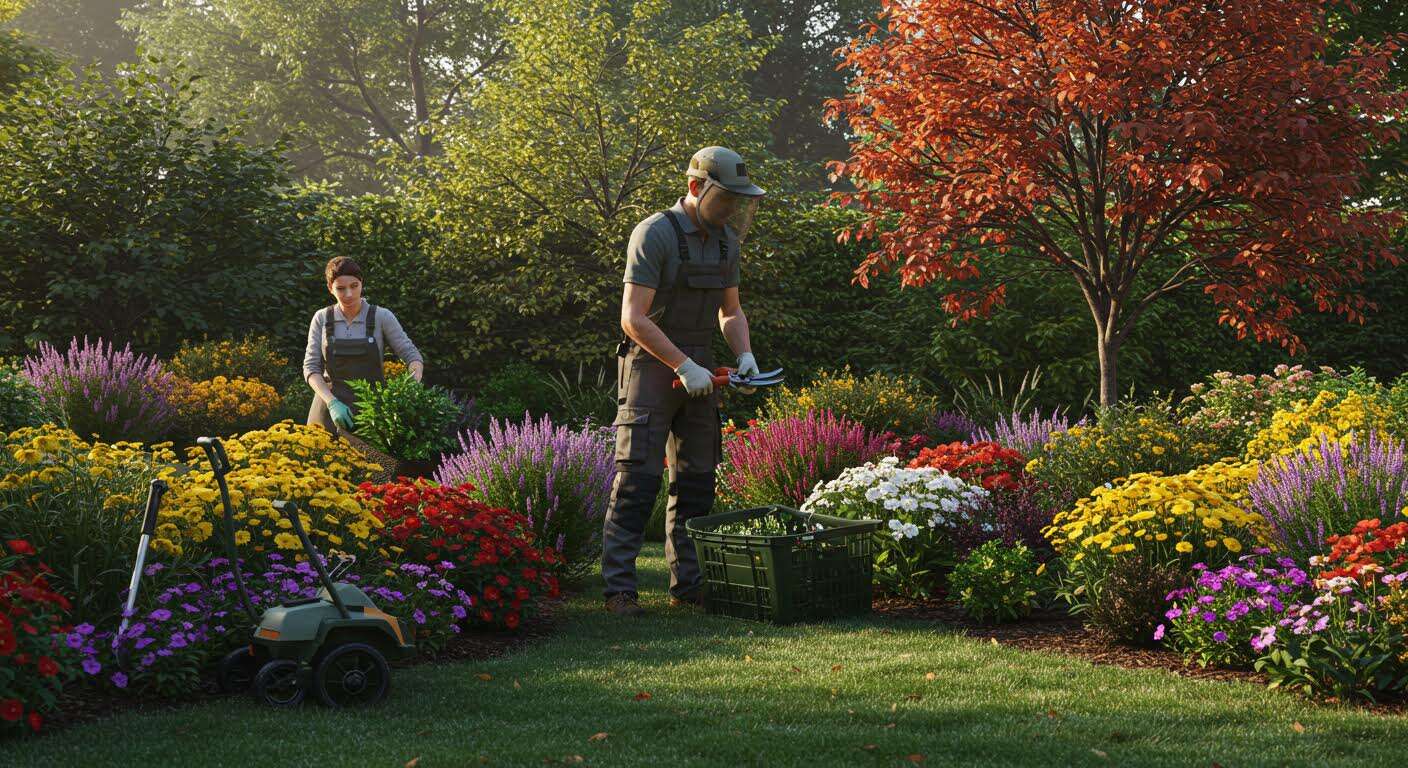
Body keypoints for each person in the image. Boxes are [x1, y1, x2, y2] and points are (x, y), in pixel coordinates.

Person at [602, 146, 767, 617]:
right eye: (725, 198)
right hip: (650, 366)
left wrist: (745, 355)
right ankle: (619, 590)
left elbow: (730, 311)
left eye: (738, 200)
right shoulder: (654, 233)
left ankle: (688, 585)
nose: (732, 208)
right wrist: (682, 365)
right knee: (637, 479)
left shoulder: (725, 242)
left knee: (697, 480)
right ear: (696, 187)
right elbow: (633, 318)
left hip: (701, 364)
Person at [303, 256, 425, 435]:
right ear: (330, 288)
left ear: (362, 283)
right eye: (341, 288)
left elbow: (411, 355)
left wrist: (411, 385)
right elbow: (311, 367)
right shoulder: (321, 318)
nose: (349, 294)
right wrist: (332, 402)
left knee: (372, 454)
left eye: (354, 286)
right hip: (328, 410)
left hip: (372, 412)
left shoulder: (382, 317)